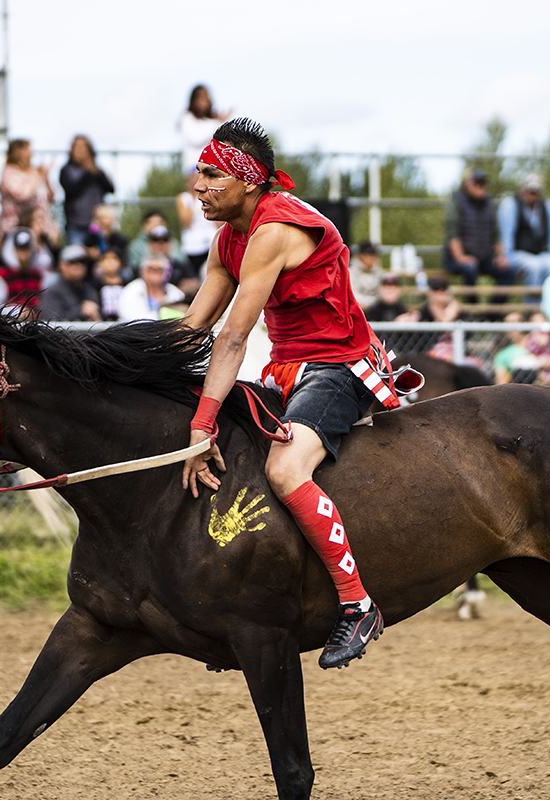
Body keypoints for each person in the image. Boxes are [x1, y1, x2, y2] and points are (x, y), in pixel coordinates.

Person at [179, 117, 384, 669]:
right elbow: (194, 325)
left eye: (210, 174)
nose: (197, 186)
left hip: (339, 366)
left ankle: (357, 604)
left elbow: (232, 338)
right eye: (198, 172)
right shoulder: (230, 237)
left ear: (247, 181)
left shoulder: (271, 232)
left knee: (284, 471)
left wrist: (202, 427)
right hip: (287, 367)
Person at [443, 167, 513, 288]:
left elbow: (495, 235)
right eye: (477, 182)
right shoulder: (456, 200)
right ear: (467, 184)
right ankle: (472, 306)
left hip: (483, 258)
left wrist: (501, 257)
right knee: (470, 268)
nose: (480, 186)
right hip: (456, 258)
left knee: (508, 272)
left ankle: (492, 307)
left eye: (483, 182)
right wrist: (461, 257)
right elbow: (452, 234)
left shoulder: (489, 204)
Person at [496, 172, 550, 291]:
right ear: (522, 189)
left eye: (535, 191)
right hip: (518, 254)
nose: (532, 194)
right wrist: (506, 257)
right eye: (529, 190)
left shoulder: (547, 206)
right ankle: (531, 306)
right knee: (534, 267)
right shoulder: (510, 205)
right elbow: (506, 236)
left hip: (542, 254)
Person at [0, 139, 59, 249]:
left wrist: (46, 177)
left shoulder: (34, 172)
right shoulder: (9, 172)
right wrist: (38, 176)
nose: (32, 153)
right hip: (15, 228)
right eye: (28, 149)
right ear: (18, 152)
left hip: (40, 230)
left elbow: (50, 196)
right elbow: (22, 194)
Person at [60, 135, 116, 245]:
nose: (81, 151)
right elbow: (71, 190)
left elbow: (110, 188)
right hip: (76, 224)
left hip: (97, 224)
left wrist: (96, 172)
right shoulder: (66, 170)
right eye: (77, 148)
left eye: (84, 148)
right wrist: (87, 172)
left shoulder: (96, 170)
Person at [0, 228, 45, 315]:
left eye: (27, 249)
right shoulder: (0, 276)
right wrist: (19, 312)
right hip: (9, 325)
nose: (25, 255)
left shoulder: (38, 275)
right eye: (20, 249)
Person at [177, 84, 231, 177]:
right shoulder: (187, 117)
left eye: (207, 98)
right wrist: (218, 124)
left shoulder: (212, 121)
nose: (205, 102)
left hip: (213, 167)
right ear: (194, 100)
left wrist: (222, 123)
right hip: (194, 168)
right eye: (202, 98)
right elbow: (196, 139)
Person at [42, 245, 102, 322]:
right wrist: (81, 311)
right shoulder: (52, 292)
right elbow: (51, 321)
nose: (79, 265)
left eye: (82, 261)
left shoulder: (90, 291)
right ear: (61, 265)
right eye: (73, 262)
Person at [117, 256, 186, 322]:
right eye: (150, 269)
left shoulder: (176, 292)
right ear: (142, 271)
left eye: (159, 269)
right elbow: (132, 319)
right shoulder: (131, 291)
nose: (155, 273)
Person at [177, 174, 220, 274]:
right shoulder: (184, 198)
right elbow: (186, 222)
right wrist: (193, 198)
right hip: (193, 245)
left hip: (210, 241)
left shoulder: (211, 197)